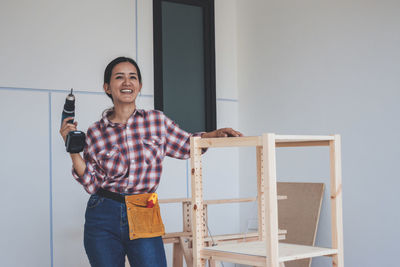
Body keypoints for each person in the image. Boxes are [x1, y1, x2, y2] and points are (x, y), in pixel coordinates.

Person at [59, 56, 243, 267]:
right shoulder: (96, 132)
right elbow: (92, 183)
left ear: (139, 86)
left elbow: (187, 145)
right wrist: (72, 149)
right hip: (102, 213)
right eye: (119, 77)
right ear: (107, 87)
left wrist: (214, 135)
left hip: (144, 209)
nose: (127, 82)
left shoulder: (157, 121)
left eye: (133, 77)